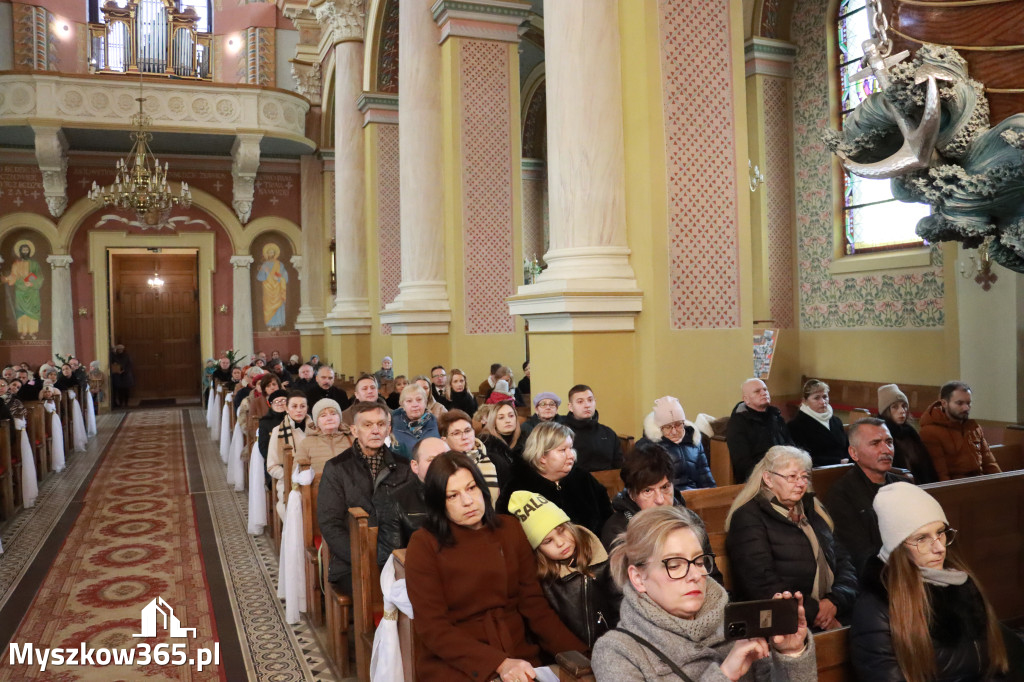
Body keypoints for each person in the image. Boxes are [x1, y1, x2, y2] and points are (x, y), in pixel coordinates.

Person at [404, 452, 585, 681]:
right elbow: (433, 627)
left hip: (516, 652)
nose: (467, 501)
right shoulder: (424, 544)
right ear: (439, 503)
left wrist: (583, 654)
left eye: (471, 488)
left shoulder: (509, 529)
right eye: (453, 496)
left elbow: (535, 606)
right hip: (456, 661)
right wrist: (498, 663)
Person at [591, 505, 816, 681]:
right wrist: (723, 675)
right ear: (638, 578)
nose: (695, 574)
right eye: (676, 564)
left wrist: (791, 654)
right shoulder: (618, 651)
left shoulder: (737, 625)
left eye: (698, 561)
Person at [850, 482, 1014, 682]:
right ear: (898, 547)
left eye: (940, 533)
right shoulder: (876, 607)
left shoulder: (960, 582)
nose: (939, 548)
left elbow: (994, 669)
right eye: (921, 539)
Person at [725, 445, 858, 630]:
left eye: (804, 477)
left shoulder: (812, 511)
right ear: (768, 479)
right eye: (792, 477)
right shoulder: (748, 517)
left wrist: (835, 601)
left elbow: (844, 562)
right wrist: (816, 612)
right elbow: (762, 585)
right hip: (783, 621)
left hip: (832, 611)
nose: (801, 483)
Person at [317, 401, 412, 591]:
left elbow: (411, 517)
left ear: (389, 429)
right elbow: (330, 523)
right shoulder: (336, 467)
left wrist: (403, 557)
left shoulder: (404, 466)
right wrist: (362, 557)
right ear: (354, 430)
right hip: (352, 560)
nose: (375, 430)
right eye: (367, 425)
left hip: (396, 557)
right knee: (370, 587)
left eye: (381, 424)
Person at [508, 491, 620, 648]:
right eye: (548, 541)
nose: (560, 543)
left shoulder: (600, 558)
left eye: (561, 531)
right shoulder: (542, 578)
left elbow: (619, 603)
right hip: (569, 655)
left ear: (570, 526)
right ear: (537, 550)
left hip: (611, 647)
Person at [823, 418, 909, 576]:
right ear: (854, 453)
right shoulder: (841, 495)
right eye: (875, 443)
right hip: (877, 578)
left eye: (889, 442)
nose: (886, 450)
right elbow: (859, 556)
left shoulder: (905, 486)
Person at [496, 421, 613, 537]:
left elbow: (607, 518)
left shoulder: (582, 478)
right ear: (542, 457)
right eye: (563, 450)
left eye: (571, 448)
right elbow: (508, 532)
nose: (571, 455)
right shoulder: (518, 486)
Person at [376, 437, 449, 554]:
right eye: (432, 460)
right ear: (415, 466)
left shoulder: (465, 493)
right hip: (419, 567)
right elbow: (391, 557)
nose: (440, 465)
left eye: (445, 458)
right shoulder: (396, 501)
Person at [918, 381, 1000, 481]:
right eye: (959, 403)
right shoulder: (930, 432)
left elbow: (990, 464)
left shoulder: (974, 428)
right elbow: (941, 475)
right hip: (956, 487)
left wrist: (1002, 484)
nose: (966, 408)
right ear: (944, 403)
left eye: (968, 403)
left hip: (979, 483)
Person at [635, 396, 715, 490]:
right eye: (668, 427)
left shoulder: (694, 442)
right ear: (659, 428)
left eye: (678, 425)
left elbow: (706, 479)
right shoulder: (647, 447)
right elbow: (642, 486)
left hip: (694, 496)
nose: (674, 431)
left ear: (684, 423)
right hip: (664, 500)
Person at [726, 378, 794, 483]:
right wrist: (772, 474)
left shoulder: (777, 417)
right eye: (757, 391)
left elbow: (791, 446)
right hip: (758, 478)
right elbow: (742, 463)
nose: (764, 393)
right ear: (746, 399)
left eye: (765, 389)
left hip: (785, 472)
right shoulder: (738, 423)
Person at [439, 409, 508, 503]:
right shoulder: (441, 466)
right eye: (456, 433)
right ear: (444, 440)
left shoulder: (495, 461)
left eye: (467, 431)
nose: (464, 437)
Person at [877, 383, 939, 484]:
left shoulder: (910, 433)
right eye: (895, 407)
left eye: (904, 406)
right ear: (886, 411)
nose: (902, 411)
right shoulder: (880, 434)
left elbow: (926, 466)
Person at [266, 391, 314, 518]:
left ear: (307, 408)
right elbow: (272, 466)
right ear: (287, 409)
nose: (299, 410)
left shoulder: (316, 429)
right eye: (294, 406)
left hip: (316, 480)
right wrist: (291, 476)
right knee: (293, 510)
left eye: (302, 406)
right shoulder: (278, 431)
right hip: (290, 483)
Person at [294, 398, 355, 498]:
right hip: (319, 496)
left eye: (333, 414)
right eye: (323, 415)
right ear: (316, 421)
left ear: (340, 417)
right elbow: (296, 474)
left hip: (351, 493)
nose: (329, 418)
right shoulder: (306, 443)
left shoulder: (353, 440)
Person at [560, 385, 623, 472]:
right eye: (580, 402)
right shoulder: (561, 433)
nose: (587, 405)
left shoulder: (608, 433)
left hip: (608, 483)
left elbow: (619, 466)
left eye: (590, 400)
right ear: (570, 407)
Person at [787, 379, 849, 467]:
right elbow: (803, 457)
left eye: (825, 396)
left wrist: (848, 460)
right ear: (805, 401)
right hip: (818, 472)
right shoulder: (795, 426)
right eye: (816, 398)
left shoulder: (836, 421)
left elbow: (847, 447)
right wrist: (839, 461)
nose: (823, 402)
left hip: (845, 468)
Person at [390, 383, 440, 460]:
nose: (415, 405)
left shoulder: (436, 423)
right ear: (403, 405)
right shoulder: (391, 424)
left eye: (419, 400)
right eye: (409, 401)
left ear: (425, 402)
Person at [109, 344, 134, 408]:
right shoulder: (114, 356)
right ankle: (120, 403)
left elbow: (129, 365)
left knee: (126, 390)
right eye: (119, 349)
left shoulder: (127, 356)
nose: (120, 350)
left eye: (121, 349)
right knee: (119, 390)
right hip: (118, 376)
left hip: (126, 375)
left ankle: (126, 403)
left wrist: (124, 370)